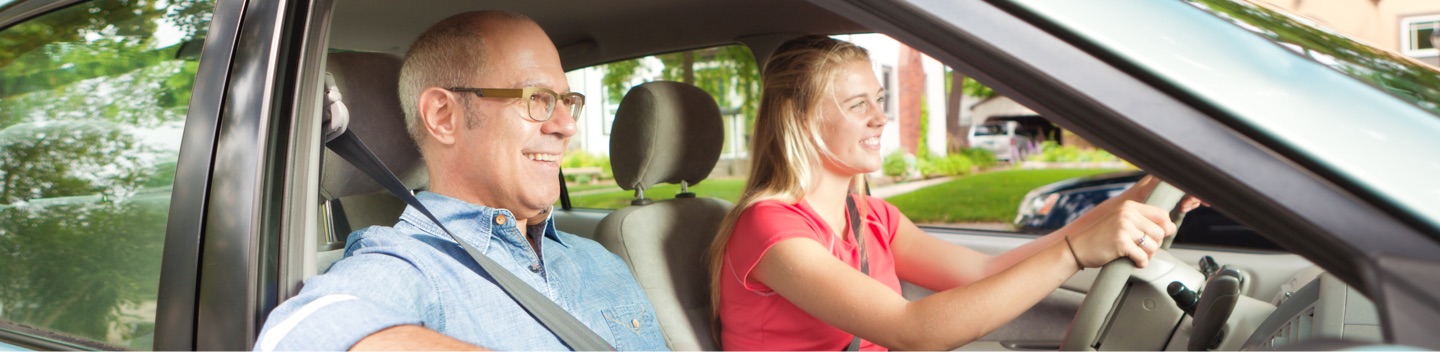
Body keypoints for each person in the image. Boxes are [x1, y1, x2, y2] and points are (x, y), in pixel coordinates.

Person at [709, 35, 1183, 351]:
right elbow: (909, 331)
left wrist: (1132, 199)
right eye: (858, 105)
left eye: (879, 99)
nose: (881, 117)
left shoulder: (872, 216)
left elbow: (985, 271)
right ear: (801, 119)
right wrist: (1075, 253)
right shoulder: (769, 229)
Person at [256, 11, 667, 351]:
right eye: (537, 98)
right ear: (443, 116)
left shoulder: (599, 260)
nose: (565, 125)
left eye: (566, 102)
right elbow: (300, 336)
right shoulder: (407, 263)